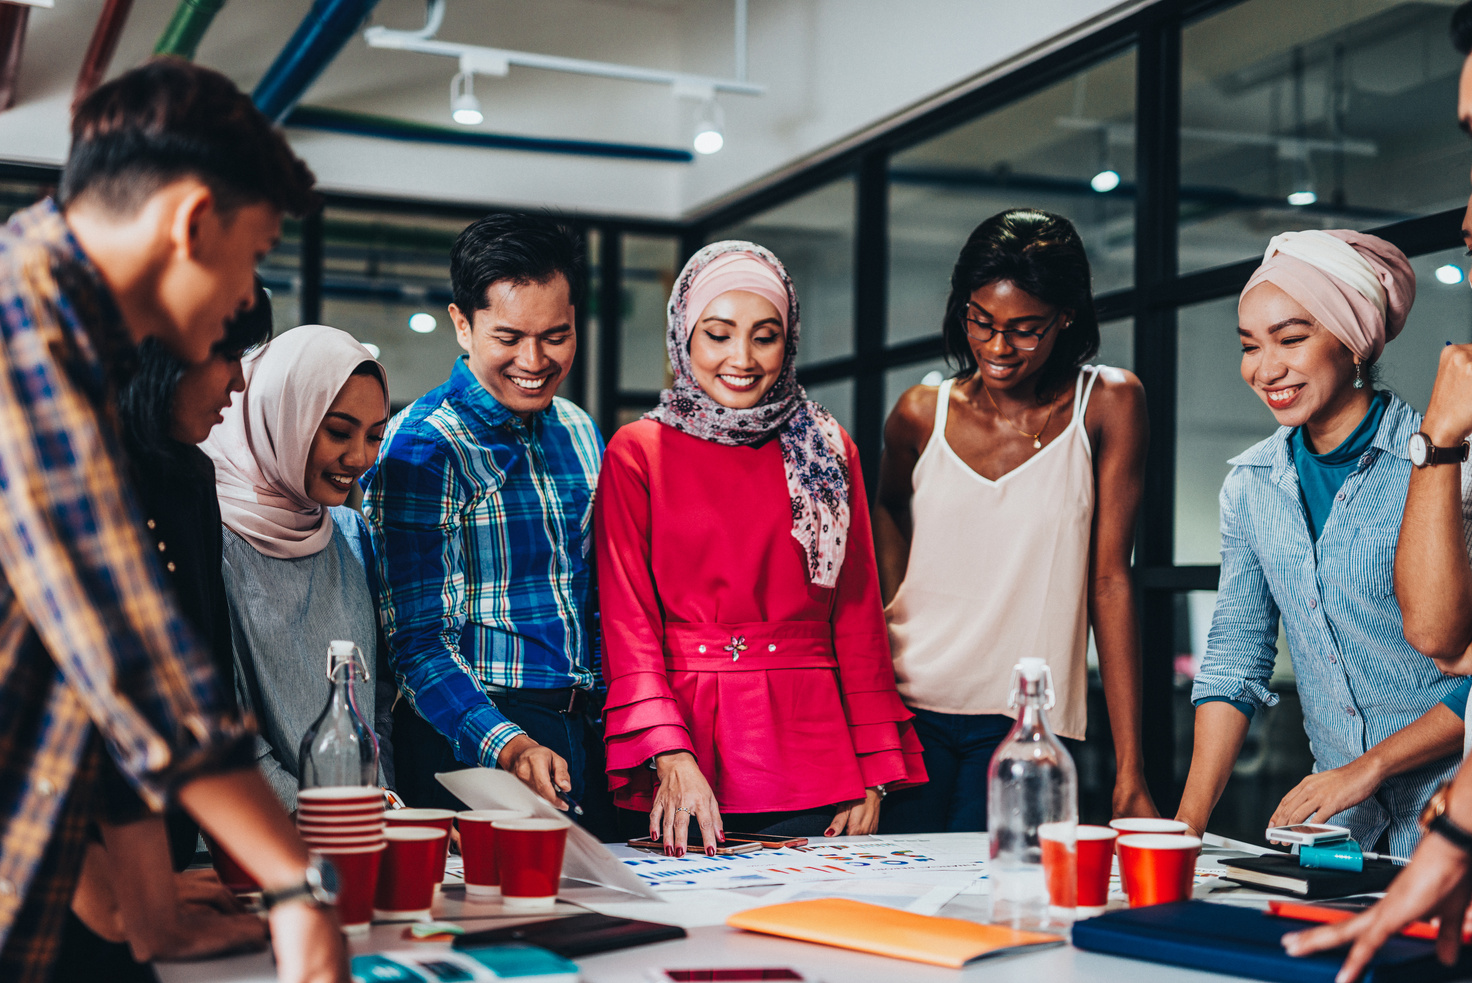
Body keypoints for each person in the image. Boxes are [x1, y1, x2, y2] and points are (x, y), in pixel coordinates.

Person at [0, 59, 346, 983]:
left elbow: (65, 684)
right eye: (254, 256)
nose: (245, 302)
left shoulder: (64, 337)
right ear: (193, 224)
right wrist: (294, 887)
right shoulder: (21, 335)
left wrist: (138, 903)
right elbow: (128, 648)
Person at [597, 240, 926, 855]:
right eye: (718, 334)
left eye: (764, 335)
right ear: (682, 340)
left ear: (789, 339)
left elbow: (856, 615)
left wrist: (873, 766)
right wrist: (668, 754)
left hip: (820, 753)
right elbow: (628, 623)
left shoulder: (827, 448)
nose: (741, 358)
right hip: (688, 755)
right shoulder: (636, 451)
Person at [1175, 229, 1463, 859]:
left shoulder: (1445, 465)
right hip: (1338, 830)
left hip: (1453, 812)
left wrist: (1372, 765)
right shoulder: (1250, 486)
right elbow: (1234, 659)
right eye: (1250, 346)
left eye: (1292, 338)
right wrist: (1186, 829)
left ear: (1353, 340)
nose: (1265, 368)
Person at [873, 209, 1155, 833]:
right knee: (898, 909)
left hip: (1027, 723)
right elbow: (888, 507)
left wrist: (1132, 767)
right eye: (982, 322)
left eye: (1026, 330)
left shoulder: (1108, 403)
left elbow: (1110, 580)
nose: (999, 349)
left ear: (1068, 317)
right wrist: (896, 597)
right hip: (907, 710)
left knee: (998, 905)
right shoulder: (921, 412)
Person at [52, 285, 275, 982]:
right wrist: (111, 896)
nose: (239, 381)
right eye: (226, 352)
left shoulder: (185, 477)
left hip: (159, 861)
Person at [363, 214, 612, 834]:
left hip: (582, 731)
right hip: (475, 739)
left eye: (556, 335)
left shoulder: (581, 430)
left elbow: (599, 599)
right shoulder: (423, 448)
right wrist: (509, 745)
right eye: (509, 337)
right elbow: (416, 646)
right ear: (462, 325)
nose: (534, 360)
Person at [202, 324, 396, 812]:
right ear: (282, 416)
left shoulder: (350, 534)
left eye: (375, 436)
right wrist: (310, 820)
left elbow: (373, 706)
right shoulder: (210, 539)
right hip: (248, 841)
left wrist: (386, 805)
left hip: (351, 832)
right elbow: (225, 725)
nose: (359, 458)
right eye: (338, 431)